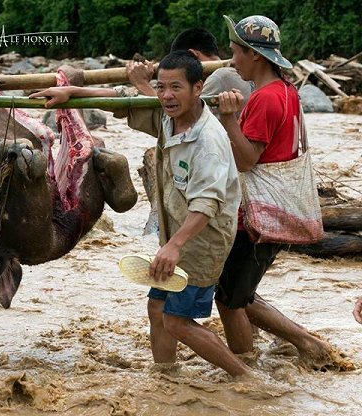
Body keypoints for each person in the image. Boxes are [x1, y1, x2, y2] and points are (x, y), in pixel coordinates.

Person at [32, 51, 248, 376]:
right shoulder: (166, 115)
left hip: (202, 240)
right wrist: (72, 94)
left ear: (198, 87)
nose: (166, 96)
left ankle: (244, 377)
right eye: (160, 87)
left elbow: (208, 204)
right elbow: (125, 100)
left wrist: (175, 245)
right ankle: (166, 376)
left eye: (176, 87)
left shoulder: (209, 141)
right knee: (157, 306)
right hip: (175, 237)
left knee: (177, 321)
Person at [215, 15, 342, 367]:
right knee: (239, 292)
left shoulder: (265, 100)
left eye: (235, 52)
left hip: (257, 218)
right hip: (276, 211)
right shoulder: (286, 91)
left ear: (255, 55)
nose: (231, 60)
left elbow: (245, 160)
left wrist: (228, 119)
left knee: (230, 301)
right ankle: (300, 345)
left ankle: (246, 373)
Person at [121, 28, 252, 116]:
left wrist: (142, 84)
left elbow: (182, 122)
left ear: (192, 55)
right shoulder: (234, 74)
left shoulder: (221, 77)